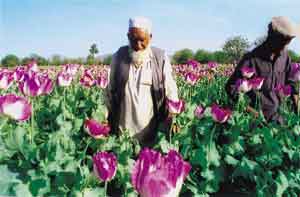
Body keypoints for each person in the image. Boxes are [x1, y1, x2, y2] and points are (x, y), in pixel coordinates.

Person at [105, 16, 179, 145]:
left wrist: (174, 116)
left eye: (142, 40)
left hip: (152, 134)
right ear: (128, 36)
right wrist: (103, 117)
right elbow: (109, 91)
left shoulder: (160, 57)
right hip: (122, 136)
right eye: (133, 40)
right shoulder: (118, 57)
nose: (138, 45)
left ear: (150, 37)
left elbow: (170, 88)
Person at [225, 16, 300, 124]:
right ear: (271, 37)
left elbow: (291, 85)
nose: (284, 48)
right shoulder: (251, 59)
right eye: (282, 43)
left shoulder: (285, 58)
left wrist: (297, 111)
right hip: (255, 122)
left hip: (279, 120)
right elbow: (230, 88)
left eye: (287, 43)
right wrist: (252, 112)